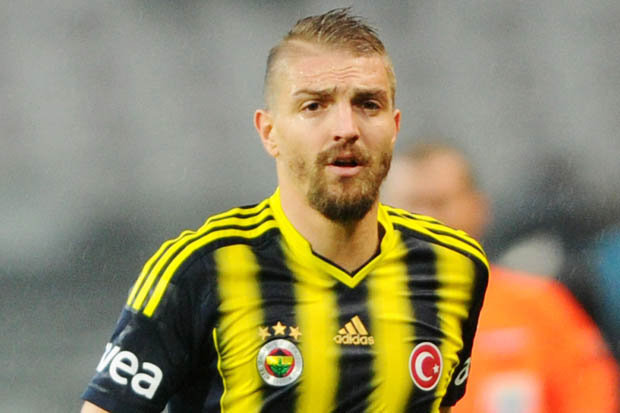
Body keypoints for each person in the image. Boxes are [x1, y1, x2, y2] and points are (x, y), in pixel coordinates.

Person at [81, 9, 488, 413]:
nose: (346, 128)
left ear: (395, 126)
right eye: (314, 106)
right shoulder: (200, 270)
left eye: (368, 104)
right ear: (269, 132)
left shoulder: (454, 267)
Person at [382, 142, 619, 413]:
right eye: (411, 205)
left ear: (478, 208)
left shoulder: (542, 307)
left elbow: (594, 400)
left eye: (440, 203)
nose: (426, 219)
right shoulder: (353, 314)